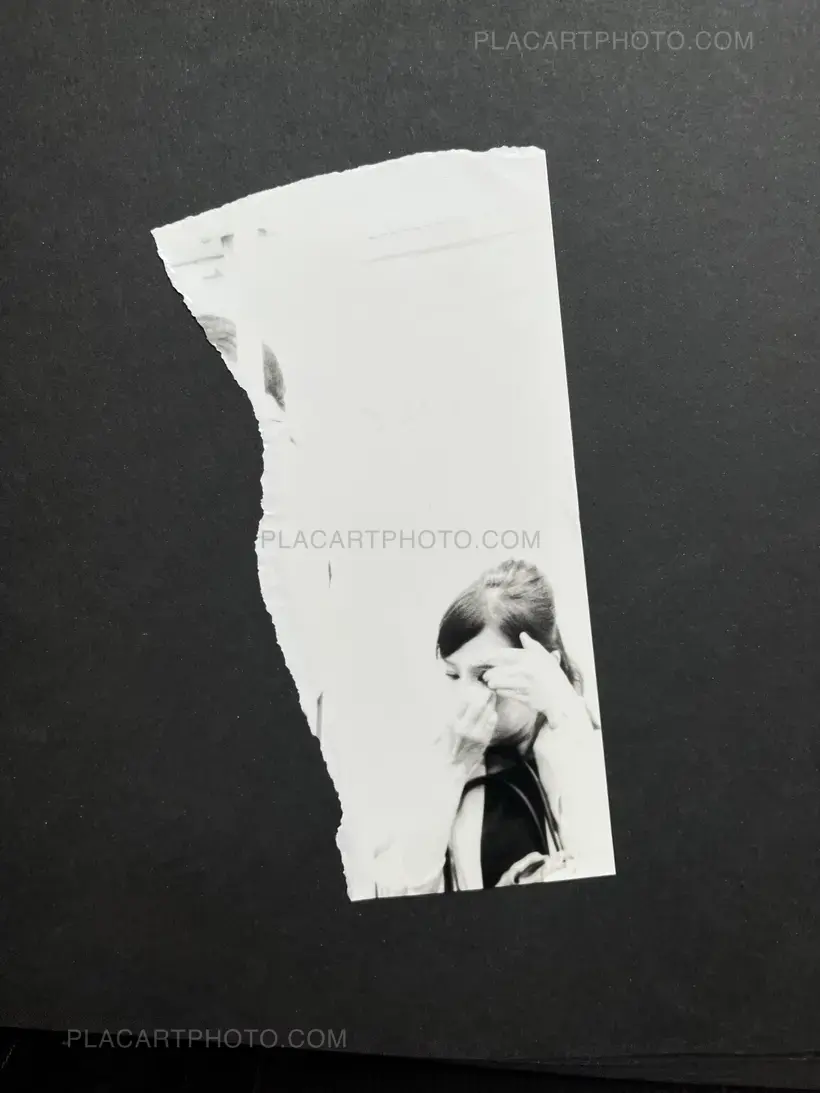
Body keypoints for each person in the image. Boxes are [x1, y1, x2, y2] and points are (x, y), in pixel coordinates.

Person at [374, 559, 612, 895]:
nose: (465, 696)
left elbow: (606, 866)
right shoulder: (427, 765)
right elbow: (399, 894)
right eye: (452, 674)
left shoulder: (592, 753)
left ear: (546, 669)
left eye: (486, 676)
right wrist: (452, 770)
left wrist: (564, 712)